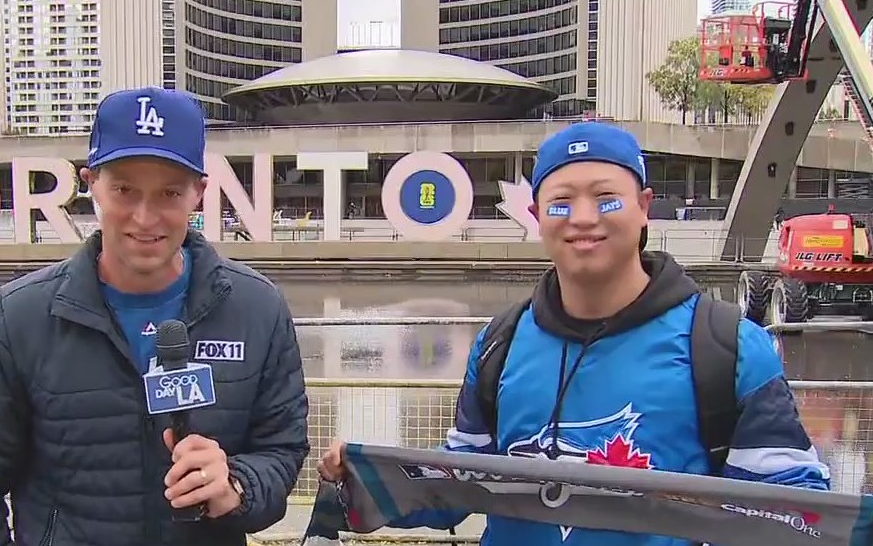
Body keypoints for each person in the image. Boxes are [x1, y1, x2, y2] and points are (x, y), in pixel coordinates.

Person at [317, 122, 830, 546]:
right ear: (537, 216)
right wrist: (365, 476)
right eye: (561, 203)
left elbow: (796, 514)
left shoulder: (729, 347)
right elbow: (459, 481)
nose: (583, 219)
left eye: (607, 199)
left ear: (644, 206)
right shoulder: (499, 344)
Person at [0, 86, 310, 546]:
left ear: (199, 192)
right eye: (125, 190)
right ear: (91, 183)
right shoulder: (18, 317)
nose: (145, 218)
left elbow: (281, 450)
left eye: (169, 192)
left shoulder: (257, 308)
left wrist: (237, 485)